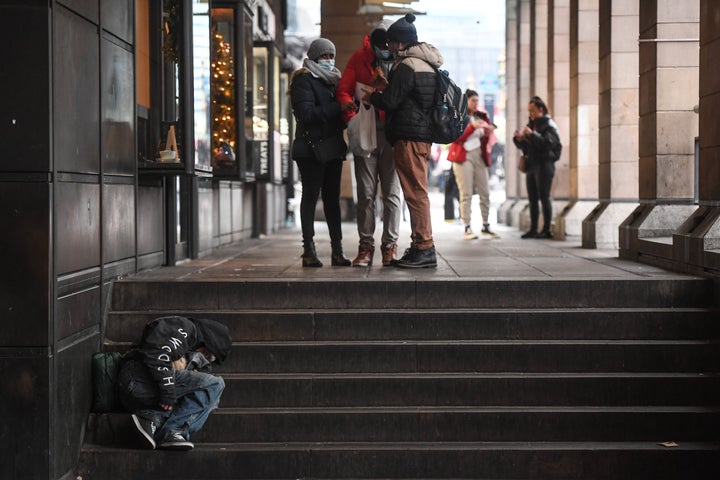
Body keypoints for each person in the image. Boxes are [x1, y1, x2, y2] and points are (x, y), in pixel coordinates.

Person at [366, 13, 442, 268]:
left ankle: (424, 248)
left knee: (415, 193)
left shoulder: (407, 65)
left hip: (409, 137)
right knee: (416, 192)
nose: (387, 48)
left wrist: (374, 94)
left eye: (389, 43)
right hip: (421, 136)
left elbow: (391, 101)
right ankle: (421, 245)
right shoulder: (426, 63)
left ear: (399, 43)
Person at [337, 21, 402, 267]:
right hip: (365, 130)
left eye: (389, 46)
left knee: (392, 193)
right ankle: (366, 247)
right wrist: (351, 117)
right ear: (372, 44)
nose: (386, 50)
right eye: (381, 46)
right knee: (365, 193)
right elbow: (343, 90)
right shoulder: (359, 59)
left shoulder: (400, 61)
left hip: (392, 134)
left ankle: (390, 246)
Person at [117, 315, 232, 451]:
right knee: (215, 384)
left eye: (210, 358)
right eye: (209, 355)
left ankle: (151, 417)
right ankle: (172, 430)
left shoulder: (192, 349)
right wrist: (168, 391)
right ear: (209, 341)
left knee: (211, 398)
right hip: (136, 379)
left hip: (143, 391)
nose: (206, 358)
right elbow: (157, 356)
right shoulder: (184, 328)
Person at [290, 38, 352, 267]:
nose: (328, 60)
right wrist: (338, 108)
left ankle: (338, 251)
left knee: (332, 201)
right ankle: (309, 250)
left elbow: (337, 115)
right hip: (310, 149)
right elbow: (306, 114)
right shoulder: (303, 81)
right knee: (310, 197)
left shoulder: (335, 81)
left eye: (331, 56)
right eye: (324, 56)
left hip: (332, 148)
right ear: (314, 57)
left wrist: (348, 112)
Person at [449, 89, 498, 240]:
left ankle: (485, 225)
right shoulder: (458, 115)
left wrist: (488, 130)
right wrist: (472, 127)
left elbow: (486, 139)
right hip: (463, 156)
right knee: (466, 193)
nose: (476, 103)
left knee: (485, 192)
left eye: (477, 100)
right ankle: (467, 227)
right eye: (473, 101)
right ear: (466, 101)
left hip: (479, 155)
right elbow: (455, 137)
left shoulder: (481, 116)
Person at [513, 95, 561, 239]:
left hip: (545, 165)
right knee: (532, 198)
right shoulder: (532, 124)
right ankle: (533, 229)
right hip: (532, 164)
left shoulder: (548, 124)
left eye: (533, 110)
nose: (530, 114)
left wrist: (532, 135)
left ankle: (546, 230)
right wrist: (519, 139)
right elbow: (527, 147)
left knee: (544, 197)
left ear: (541, 109)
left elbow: (548, 144)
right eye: (529, 111)